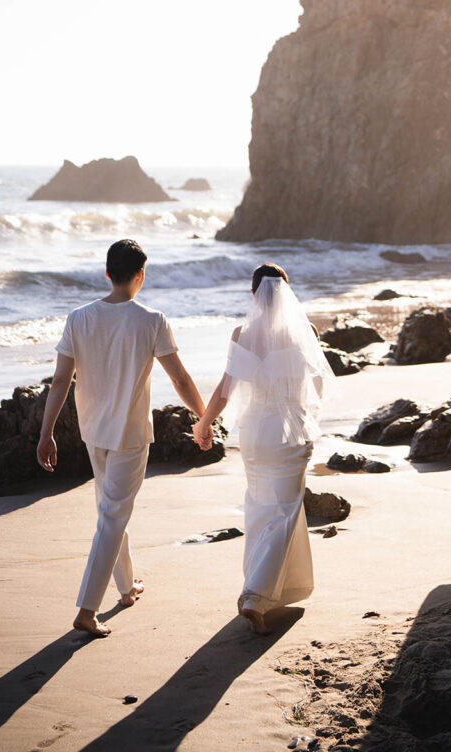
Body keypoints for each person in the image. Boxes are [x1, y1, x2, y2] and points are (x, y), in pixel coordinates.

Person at [37, 238, 209, 637]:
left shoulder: (78, 318)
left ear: (107, 273)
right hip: (130, 433)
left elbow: (61, 379)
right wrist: (204, 417)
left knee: (110, 512)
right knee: (113, 514)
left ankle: (127, 586)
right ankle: (87, 609)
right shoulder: (152, 320)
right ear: (140, 276)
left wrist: (46, 433)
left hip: (92, 430)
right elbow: (180, 379)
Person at [194, 262, 333, 634]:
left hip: (255, 434)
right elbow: (316, 387)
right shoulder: (306, 333)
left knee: (260, 510)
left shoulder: (243, 334)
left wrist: (205, 422)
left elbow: (226, 389)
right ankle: (256, 596)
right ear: (287, 293)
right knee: (285, 514)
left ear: (253, 294)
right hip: (289, 434)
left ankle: (270, 591)